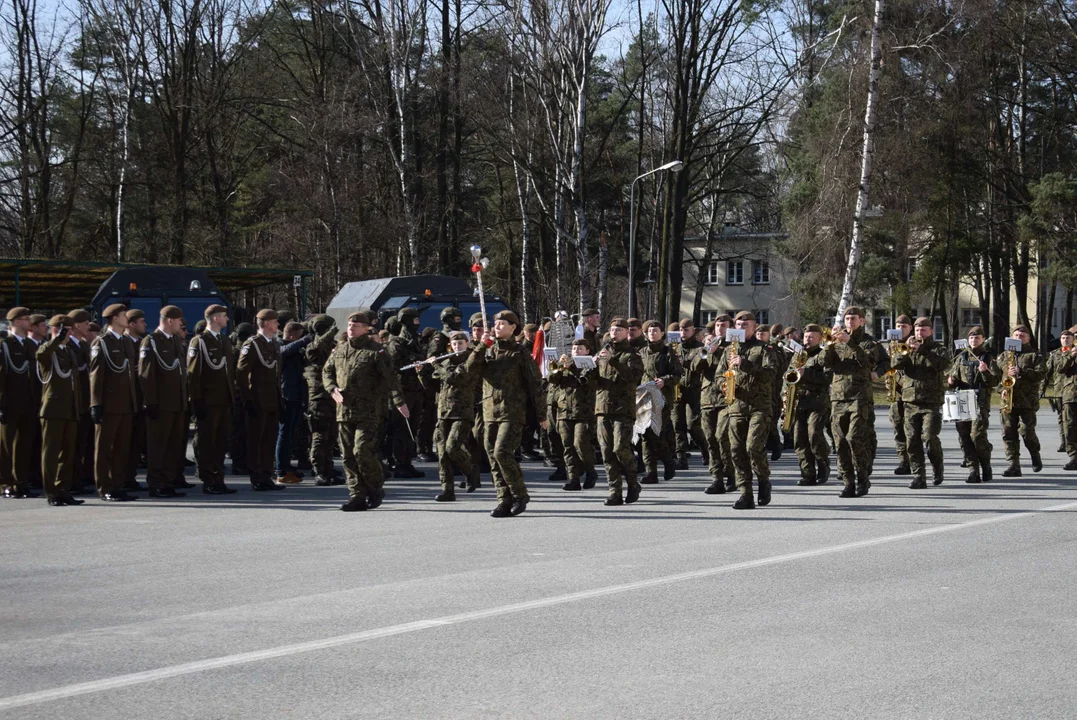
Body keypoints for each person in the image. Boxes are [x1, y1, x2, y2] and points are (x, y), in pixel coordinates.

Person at [323, 311, 408, 511]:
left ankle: (375, 486)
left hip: (370, 411)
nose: (351, 328)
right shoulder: (339, 349)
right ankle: (357, 496)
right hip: (344, 410)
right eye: (350, 325)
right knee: (347, 455)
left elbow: (391, 378)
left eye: (356, 325)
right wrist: (332, 389)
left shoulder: (376, 351)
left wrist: (399, 401)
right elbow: (327, 372)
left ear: (366, 328)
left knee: (362, 451)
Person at [480, 310, 546, 517]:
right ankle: (503, 499)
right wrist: (481, 345)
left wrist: (542, 415)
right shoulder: (487, 351)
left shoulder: (519, 353)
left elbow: (536, 384)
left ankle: (520, 494)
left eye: (502, 324)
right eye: (495, 323)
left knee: (502, 452)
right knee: (492, 457)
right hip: (490, 411)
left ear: (513, 328)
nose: (497, 327)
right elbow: (468, 371)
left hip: (512, 411)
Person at [715, 311, 776, 509]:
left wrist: (746, 364)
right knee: (736, 450)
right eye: (738, 324)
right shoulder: (728, 350)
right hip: (736, 407)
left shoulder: (764, 348)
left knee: (753, 447)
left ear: (754, 326)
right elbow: (718, 375)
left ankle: (764, 479)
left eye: (746, 324)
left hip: (759, 407)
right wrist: (723, 385)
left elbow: (771, 374)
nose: (741, 327)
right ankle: (745, 493)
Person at [422, 330, 484, 500]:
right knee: (442, 454)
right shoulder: (445, 361)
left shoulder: (471, 361)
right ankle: (447, 490)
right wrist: (421, 372)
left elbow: (454, 378)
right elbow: (433, 386)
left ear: (467, 344)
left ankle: (470, 472)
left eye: (461, 343)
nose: (458, 347)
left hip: (462, 413)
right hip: (443, 412)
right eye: (455, 344)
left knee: (453, 447)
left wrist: (435, 365)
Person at [823, 306, 878, 498]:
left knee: (854, 439)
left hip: (859, 398)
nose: (850, 322)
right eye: (847, 319)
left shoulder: (868, 342)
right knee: (840, 443)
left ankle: (862, 478)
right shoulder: (837, 341)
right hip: (838, 398)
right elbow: (825, 364)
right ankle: (848, 482)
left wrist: (852, 343)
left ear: (862, 321)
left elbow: (869, 362)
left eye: (853, 319)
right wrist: (829, 345)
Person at [89, 304, 139, 501]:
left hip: (126, 404)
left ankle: (118, 485)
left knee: (121, 448)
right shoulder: (101, 343)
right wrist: (96, 404)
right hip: (109, 404)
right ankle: (105, 487)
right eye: (124, 315)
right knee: (104, 449)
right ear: (115, 319)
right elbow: (95, 375)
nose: (127, 318)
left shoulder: (126, 342)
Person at [892, 317, 948, 489]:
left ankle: (938, 467)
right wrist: (905, 352)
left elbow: (942, 365)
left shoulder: (939, 349)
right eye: (916, 330)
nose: (919, 333)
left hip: (931, 402)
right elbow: (894, 365)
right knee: (912, 441)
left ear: (931, 331)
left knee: (929, 437)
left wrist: (922, 349)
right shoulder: (907, 349)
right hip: (910, 401)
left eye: (923, 330)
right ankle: (919, 476)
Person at [139, 305, 189, 498]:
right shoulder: (151, 341)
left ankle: (167, 482)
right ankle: (156, 482)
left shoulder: (175, 340)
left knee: (173, 446)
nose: (181, 325)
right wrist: (150, 401)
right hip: (161, 404)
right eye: (178, 321)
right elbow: (146, 374)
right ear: (169, 321)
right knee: (158, 445)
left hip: (177, 403)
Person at [187, 304, 237, 495]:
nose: (227, 319)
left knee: (220, 442)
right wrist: (196, 400)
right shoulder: (199, 342)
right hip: (207, 401)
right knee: (207, 442)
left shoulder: (224, 340)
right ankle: (208, 480)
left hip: (224, 400)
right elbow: (193, 374)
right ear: (215, 318)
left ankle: (218, 478)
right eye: (224, 316)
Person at [594, 317, 644, 506]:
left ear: (626, 333)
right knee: (607, 452)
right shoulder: (603, 354)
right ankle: (614, 491)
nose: (615, 333)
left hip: (623, 409)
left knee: (620, 448)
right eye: (613, 330)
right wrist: (589, 366)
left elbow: (633, 377)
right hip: (602, 408)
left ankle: (632, 483)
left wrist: (612, 361)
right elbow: (594, 381)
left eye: (619, 330)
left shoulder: (632, 355)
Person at [36, 316, 83, 505]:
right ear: (54, 329)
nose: (69, 333)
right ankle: (52, 493)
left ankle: (63, 489)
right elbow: (41, 355)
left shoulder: (68, 351)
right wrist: (56, 338)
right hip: (53, 408)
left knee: (67, 453)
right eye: (65, 329)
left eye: (70, 330)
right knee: (51, 452)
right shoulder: (49, 349)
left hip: (70, 408)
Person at [236, 309, 284, 491]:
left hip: (272, 399)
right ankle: (256, 476)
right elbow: (241, 373)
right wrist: (247, 399)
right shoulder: (253, 344)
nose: (277, 325)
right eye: (274, 322)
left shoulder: (273, 344)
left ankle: (266, 474)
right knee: (256, 440)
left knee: (269, 439)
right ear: (265, 323)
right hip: (257, 400)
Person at [947, 325, 998, 483]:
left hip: (979, 401)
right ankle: (973, 470)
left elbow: (995, 381)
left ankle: (986, 464)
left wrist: (985, 372)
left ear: (983, 339)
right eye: (971, 338)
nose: (974, 340)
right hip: (962, 400)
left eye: (977, 338)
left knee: (977, 436)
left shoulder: (988, 358)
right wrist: (950, 381)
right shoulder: (962, 357)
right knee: (964, 437)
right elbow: (953, 378)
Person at [547, 339, 598, 491]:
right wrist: (559, 367)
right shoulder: (564, 365)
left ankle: (590, 471)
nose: (576, 350)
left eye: (580, 348)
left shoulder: (590, 365)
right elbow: (551, 379)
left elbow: (587, 381)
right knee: (567, 447)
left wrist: (573, 368)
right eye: (574, 348)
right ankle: (573, 478)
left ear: (587, 351)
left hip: (583, 412)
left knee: (580, 443)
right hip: (564, 411)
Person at [0, 307, 38, 500]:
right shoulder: (5, 345)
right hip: (10, 403)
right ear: (14, 322)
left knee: (24, 446)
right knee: (6, 446)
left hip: (28, 403)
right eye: (25, 319)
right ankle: (6, 483)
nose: (28, 322)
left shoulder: (30, 346)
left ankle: (21, 483)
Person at [998, 325, 1044, 477]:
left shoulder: (1034, 355)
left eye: (1022, 335)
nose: (1019, 337)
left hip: (1027, 401)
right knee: (1008, 433)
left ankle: (1034, 453)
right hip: (1008, 400)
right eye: (1016, 335)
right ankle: (1014, 465)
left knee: (1026, 432)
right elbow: (996, 377)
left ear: (1028, 338)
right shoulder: (1004, 355)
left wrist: (1022, 371)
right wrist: (1001, 389)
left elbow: (1041, 374)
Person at [384, 308, 425, 478]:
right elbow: (394, 368)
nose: (418, 324)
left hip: (415, 390)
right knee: (401, 428)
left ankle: (407, 462)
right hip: (402, 391)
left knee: (411, 428)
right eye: (415, 321)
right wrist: (412, 361)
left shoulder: (413, 340)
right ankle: (399, 463)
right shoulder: (396, 343)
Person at [790, 324, 832, 485]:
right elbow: (787, 375)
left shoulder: (824, 355)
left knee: (814, 433)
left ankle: (823, 464)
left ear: (819, 339)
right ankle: (807, 473)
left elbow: (828, 377)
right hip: (799, 402)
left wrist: (807, 373)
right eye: (806, 336)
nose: (808, 339)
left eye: (812, 337)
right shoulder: (798, 355)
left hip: (818, 401)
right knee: (799, 438)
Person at [639, 320, 680, 483]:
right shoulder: (641, 352)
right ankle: (651, 472)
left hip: (661, 397)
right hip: (643, 397)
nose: (652, 333)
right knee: (645, 434)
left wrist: (665, 380)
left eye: (656, 331)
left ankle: (668, 461)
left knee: (656, 432)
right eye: (650, 331)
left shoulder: (668, 352)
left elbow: (678, 374)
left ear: (662, 333)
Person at [276, 321, 315, 484]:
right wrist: (305, 340)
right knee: (284, 434)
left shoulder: (295, 349)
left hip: (297, 395)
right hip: (287, 395)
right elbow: (283, 352)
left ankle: (286, 467)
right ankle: (281, 470)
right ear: (292, 335)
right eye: (298, 336)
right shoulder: (279, 344)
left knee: (290, 434)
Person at [303, 315, 340, 486]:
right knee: (320, 436)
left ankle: (328, 468)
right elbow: (315, 349)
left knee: (331, 436)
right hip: (319, 398)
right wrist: (331, 331)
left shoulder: (332, 346)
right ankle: (319, 472)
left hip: (332, 397)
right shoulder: (313, 346)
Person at [674, 318, 707, 470]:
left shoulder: (700, 348)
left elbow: (698, 365)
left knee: (693, 425)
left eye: (686, 330)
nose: (683, 332)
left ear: (693, 331)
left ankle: (705, 449)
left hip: (695, 389)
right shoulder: (675, 348)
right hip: (678, 389)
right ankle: (681, 457)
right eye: (681, 330)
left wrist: (684, 362)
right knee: (677, 424)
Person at [67, 309, 94, 495]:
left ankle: (78, 478)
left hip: (85, 402)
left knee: (82, 444)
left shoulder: (84, 346)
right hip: (71, 403)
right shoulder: (67, 346)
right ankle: (70, 481)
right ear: (76, 325)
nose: (88, 327)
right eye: (85, 324)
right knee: (71, 445)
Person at [123, 309, 148, 492]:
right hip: (123, 401)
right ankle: (120, 479)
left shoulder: (142, 343)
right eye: (141, 321)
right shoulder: (120, 343)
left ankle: (130, 477)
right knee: (123, 443)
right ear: (132, 324)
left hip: (140, 400)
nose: (145, 325)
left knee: (136, 442)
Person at [888, 315, 914, 475]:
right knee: (898, 429)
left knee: (911, 430)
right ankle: (903, 462)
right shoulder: (892, 344)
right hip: (896, 392)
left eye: (904, 326)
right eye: (898, 325)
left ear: (910, 328)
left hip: (911, 392)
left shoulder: (915, 343)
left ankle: (914, 460)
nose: (901, 328)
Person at [229, 322, 256, 475]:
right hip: (238, 396)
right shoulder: (236, 352)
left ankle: (243, 461)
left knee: (243, 431)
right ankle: (238, 462)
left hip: (243, 395)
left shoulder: (239, 351)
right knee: (238, 431)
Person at [1043, 329, 1073, 454]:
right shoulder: (1055, 354)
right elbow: (1047, 373)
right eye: (1063, 338)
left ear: (1073, 339)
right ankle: (1064, 441)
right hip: (1059, 390)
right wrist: (1042, 389)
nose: (1065, 340)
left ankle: (1071, 441)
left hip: (1072, 391)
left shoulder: (1074, 352)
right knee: (1061, 418)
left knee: (1071, 419)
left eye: (1068, 338)